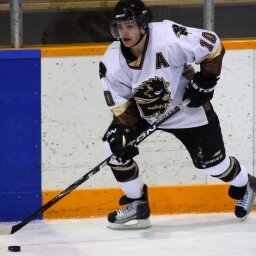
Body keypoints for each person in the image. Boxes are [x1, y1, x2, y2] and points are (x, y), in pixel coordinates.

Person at [98, 0, 256, 229]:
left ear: (143, 25)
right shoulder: (111, 62)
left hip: (186, 107)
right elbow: (122, 105)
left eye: (130, 26)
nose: (124, 32)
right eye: (120, 27)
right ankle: (138, 204)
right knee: (112, 148)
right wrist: (122, 130)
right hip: (144, 111)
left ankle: (246, 184)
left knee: (213, 165)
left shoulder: (168, 36)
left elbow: (212, 45)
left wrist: (207, 79)